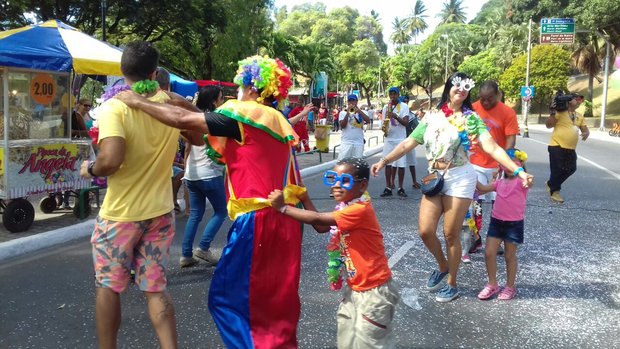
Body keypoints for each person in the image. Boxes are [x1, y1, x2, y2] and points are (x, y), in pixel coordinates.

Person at [116, 55, 308, 348]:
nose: (236, 91)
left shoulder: (241, 115)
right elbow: (296, 177)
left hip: (257, 221)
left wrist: (137, 101)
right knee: (276, 303)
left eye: (241, 84)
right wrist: (172, 98)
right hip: (288, 219)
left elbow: (184, 121)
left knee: (229, 298)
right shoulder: (277, 121)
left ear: (252, 88)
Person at [370, 72, 533, 302]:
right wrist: (384, 160)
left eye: (466, 87)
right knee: (425, 231)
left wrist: (517, 170)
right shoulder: (432, 116)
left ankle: (452, 283)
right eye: (457, 85)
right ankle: (443, 265)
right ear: (448, 88)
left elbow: (493, 148)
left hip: (461, 178)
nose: (461, 89)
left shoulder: (471, 119)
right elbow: (409, 142)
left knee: (450, 234)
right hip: (435, 176)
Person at [79, 41, 179, 349]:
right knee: (155, 289)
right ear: (154, 71)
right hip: (160, 212)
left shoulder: (115, 106)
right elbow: (198, 138)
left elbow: (111, 160)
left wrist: (90, 169)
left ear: (122, 70)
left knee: (108, 287)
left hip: (120, 216)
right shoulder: (170, 103)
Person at [268, 158, 399, 348]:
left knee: (368, 343)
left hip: (374, 292)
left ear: (362, 185)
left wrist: (282, 208)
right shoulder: (345, 207)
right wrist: (304, 198)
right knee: (346, 338)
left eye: (344, 180)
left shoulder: (359, 209)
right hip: (355, 288)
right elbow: (321, 227)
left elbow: (317, 218)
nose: (337, 186)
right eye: (333, 179)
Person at [466, 80, 520, 258]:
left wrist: (506, 164)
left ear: (497, 95)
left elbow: (510, 140)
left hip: (498, 166)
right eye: (482, 99)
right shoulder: (472, 109)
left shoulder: (507, 112)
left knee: (500, 206)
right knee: (476, 204)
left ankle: (496, 240)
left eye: (490, 99)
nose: (486, 103)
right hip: (476, 163)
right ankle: (476, 238)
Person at [178, 85, 228, 268]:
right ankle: (204, 247)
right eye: (221, 98)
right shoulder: (217, 119)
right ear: (214, 101)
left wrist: (185, 171)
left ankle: (185, 255)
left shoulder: (193, 119)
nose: (222, 101)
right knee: (221, 211)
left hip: (192, 175)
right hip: (210, 174)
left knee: (195, 215)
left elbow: (188, 149)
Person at [476, 150, 529, 301]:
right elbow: (482, 188)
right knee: (489, 253)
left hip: (514, 225)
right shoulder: (499, 183)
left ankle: (510, 287)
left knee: (509, 256)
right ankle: (492, 284)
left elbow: (529, 181)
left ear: (520, 165)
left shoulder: (521, 182)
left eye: (514, 163)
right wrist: (470, 174)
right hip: (496, 222)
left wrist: (527, 179)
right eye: (507, 163)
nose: (510, 166)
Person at [545, 92, 589, 203]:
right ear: (569, 100)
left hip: (571, 148)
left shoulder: (579, 115)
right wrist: (552, 113)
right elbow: (548, 125)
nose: (579, 102)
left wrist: (586, 133)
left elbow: (585, 129)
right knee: (557, 169)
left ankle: (551, 183)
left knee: (571, 168)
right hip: (556, 145)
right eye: (577, 99)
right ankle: (555, 192)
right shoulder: (560, 112)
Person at [380, 87, 409, 198]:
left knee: (401, 164)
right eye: (390, 94)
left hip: (400, 139)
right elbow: (383, 123)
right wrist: (384, 129)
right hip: (389, 139)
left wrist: (395, 116)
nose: (392, 96)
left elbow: (406, 123)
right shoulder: (385, 107)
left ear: (398, 94)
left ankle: (400, 188)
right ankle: (388, 187)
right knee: (387, 163)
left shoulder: (404, 106)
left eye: (394, 94)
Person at [338, 94, 371, 160]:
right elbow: (342, 126)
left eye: (353, 100)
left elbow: (368, 121)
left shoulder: (362, 112)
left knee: (357, 164)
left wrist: (358, 111)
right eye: (349, 101)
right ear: (347, 102)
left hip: (358, 142)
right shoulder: (343, 113)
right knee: (342, 163)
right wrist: (347, 113)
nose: (351, 102)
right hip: (346, 142)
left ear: (356, 102)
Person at [402, 95, 421, 190]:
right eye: (404, 101)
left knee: (412, 162)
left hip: (409, 141)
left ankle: (414, 181)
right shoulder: (397, 112)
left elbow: (418, 127)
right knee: (395, 164)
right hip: (398, 140)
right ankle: (391, 184)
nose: (405, 103)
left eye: (406, 101)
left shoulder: (412, 115)